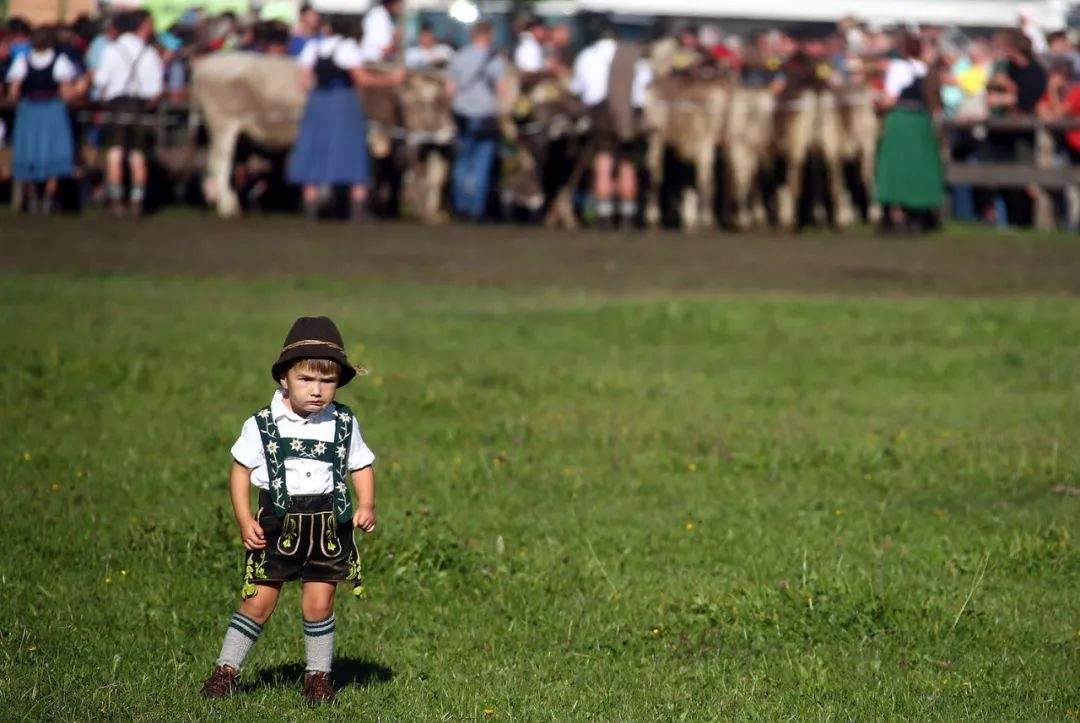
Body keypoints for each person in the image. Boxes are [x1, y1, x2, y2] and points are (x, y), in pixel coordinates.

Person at [199, 316, 377, 704]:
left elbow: (360, 465)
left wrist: (366, 504)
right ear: (284, 378)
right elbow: (240, 471)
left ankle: (317, 678)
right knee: (258, 601)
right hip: (277, 524)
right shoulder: (262, 424)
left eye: (327, 381)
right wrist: (245, 519)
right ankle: (225, 671)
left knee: (319, 603)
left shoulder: (343, 422)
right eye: (306, 380)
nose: (317, 391)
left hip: (329, 526)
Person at [286, 16, 404, 221]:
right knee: (351, 150)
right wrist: (392, 79)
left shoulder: (312, 47)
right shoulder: (348, 47)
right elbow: (362, 78)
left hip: (317, 103)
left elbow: (303, 83)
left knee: (314, 150)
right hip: (343, 102)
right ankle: (357, 206)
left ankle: (311, 206)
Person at [570, 21, 652, 228]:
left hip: (600, 113)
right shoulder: (634, 56)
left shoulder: (587, 55)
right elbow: (645, 89)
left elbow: (577, 87)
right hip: (631, 114)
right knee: (628, 164)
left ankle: (605, 215)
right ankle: (627, 215)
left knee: (604, 162)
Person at [92, 9, 163, 216]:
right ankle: (136, 201)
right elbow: (156, 90)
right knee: (137, 156)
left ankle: (116, 201)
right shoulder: (149, 52)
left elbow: (100, 81)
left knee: (115, 154)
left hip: (116, 105)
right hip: (140, 106)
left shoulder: (111, 50)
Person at [5, 25, 79, 214]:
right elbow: (65, 92)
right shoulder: (60, 61)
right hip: (52, 109)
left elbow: (14, 92)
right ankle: (48, 197)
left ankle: (32, 197)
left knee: (29, 151)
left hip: (29, 109)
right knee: (52, 151)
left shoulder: (22, 61)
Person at [874, 32, 944, 233]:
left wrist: (877, 104)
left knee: (894, 167)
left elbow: (890, 99)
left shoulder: (898, 68)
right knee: (920, 167)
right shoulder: (926, 70)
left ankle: (890, 215)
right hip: (922, 122)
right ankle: (919, 215)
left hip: (901, 120)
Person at [447, 20, 506, 221]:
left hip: (462, 114)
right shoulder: (493, 58)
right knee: (481, 163)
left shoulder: (459, 56)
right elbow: (501, 89)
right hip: (485, 116)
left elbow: (450, 89)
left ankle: (460, 206)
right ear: (488, 35)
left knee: (462, 162)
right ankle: (476, 210)